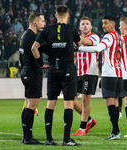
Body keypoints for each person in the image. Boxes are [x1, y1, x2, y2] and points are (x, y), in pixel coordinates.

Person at [31, 5, 82, 146]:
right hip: (67, 69)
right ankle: (66, 140)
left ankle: (49, 139)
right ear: (68, 15)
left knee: (50, 105)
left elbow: (34, 47)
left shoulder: (47, 29)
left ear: (55, 15)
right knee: (68, 105)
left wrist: (41, 63)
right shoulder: (72, 29)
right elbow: (79, 44)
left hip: (53, 69)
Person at [79, 15, 123, 140]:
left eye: (106, 23)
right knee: (114, 103)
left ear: (113, 24)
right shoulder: (119, 37)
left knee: (110, 103)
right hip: (119, 73)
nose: (103, 25)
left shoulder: (109, 36)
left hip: (109, 74)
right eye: (102, 23)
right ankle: (116, 132)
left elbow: (98, 48)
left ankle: (115, 132)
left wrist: (79, 48)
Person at [19, 12, 50, 145]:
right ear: (35, 22)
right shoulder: (33, 37)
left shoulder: (24, 35)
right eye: (42, 21)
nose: (44, 23)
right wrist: (41, 64)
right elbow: (46, 49)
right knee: (32, 105)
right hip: (32, 73)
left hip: (25, 71)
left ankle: (26, 136)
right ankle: (28, 138)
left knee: (27, 105)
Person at [72, 16, 99, 136]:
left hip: (90, 73)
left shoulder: (94, 37)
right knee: (70, 99)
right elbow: (75, 57)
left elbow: (86, 42)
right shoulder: (76, 41)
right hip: (78, 73)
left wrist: (71, 38)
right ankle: (89, 120)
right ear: (80, 27)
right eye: (83, 24)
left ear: (91, 26)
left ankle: (82, 129)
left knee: (85, 100)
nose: (85, 26)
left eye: (87, 24)